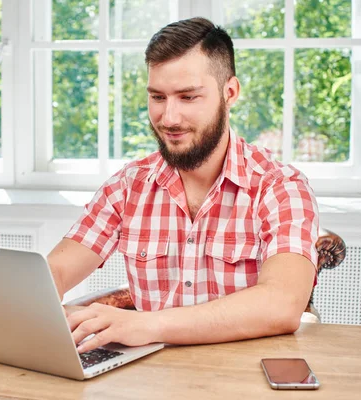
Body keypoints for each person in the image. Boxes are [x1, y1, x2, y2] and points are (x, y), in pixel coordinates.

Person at [47, 17, 319, 354]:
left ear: (229, 92)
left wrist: (148, 324)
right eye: (158, 97)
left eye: (188, 97)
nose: (169, 118)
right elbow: (53, 273)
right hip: (152, 381)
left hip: (244, 382)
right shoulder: (127, 187)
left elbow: (282, 304)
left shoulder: (280, 188)